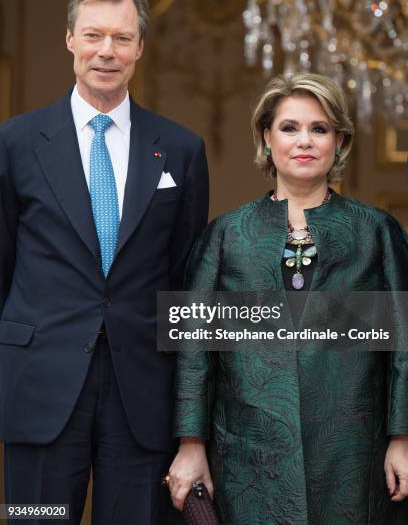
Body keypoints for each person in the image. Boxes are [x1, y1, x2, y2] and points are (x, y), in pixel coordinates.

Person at [0, 0, 208, 524]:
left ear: (140, 46)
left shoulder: (181, 150)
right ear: (69, 38)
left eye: (121, 38)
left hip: (142, 391)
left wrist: (192, 422)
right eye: (94, 36)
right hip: (40, 386)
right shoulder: (15, 143)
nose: (106, 52)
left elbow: (184, 284)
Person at [168, 73, 408, 524]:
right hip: (247, 452)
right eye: (290, 127)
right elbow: (193, 349)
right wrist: (190, 445)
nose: (305, 141)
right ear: (266, 137)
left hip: (352, 451)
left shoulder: (376, 231)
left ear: (339, 141)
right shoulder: (225, 235)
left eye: (319, 129)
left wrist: (403, 438)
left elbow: (405, 344)